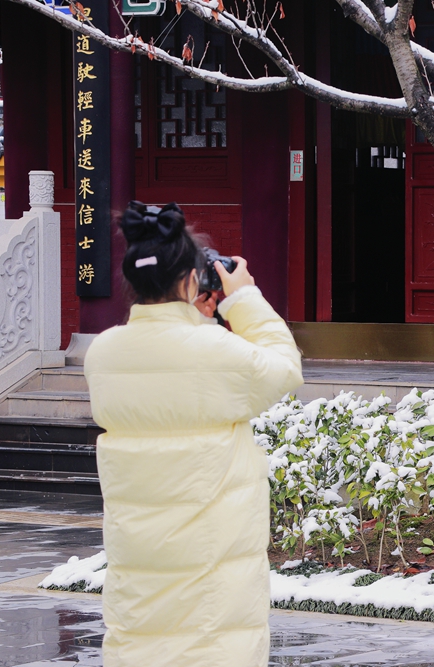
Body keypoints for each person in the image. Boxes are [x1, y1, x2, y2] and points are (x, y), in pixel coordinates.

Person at [84, 202, 304, 667]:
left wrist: (198, 320)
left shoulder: (102, 355)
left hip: (138, 575)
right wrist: (243, 298)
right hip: (210, 579)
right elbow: (283, 370)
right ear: (190, 279)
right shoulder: (213, 350)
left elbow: (171, 360)